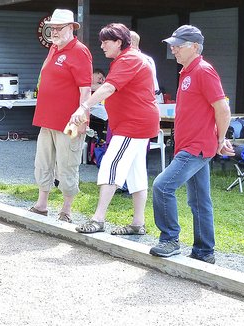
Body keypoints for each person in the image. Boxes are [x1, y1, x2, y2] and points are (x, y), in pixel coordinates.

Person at [149, 25, 234, 264]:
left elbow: (222, 109)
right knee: (199, 200)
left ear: (195, 47)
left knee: (162, 186)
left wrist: (220, 139)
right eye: (172, 45)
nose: (173, 49)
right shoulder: (187, 71)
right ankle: (204, 251)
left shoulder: (203, 71)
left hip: (196, 147)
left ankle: (170, 239)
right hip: (191, 144)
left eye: (178, 45)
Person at [70, 23, 159, 235]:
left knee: (111, 165)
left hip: (133, 124)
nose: (101, 46)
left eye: (105, 42)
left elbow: (109, 87)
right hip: (138, 123)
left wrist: (84, 107)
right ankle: (138, 223)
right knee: (136, 173)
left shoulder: (129, 59)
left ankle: (98, 219)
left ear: (119, 42)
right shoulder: (129, 58)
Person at [29, 9, 93, 222]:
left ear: (71, 28)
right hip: (47, 119)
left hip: (70, 122)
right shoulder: (54, 49)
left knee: (67, 164)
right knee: (43, 162)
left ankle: (66, 210)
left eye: (59, 27)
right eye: (52, 28)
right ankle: (42, 204)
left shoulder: (80, 51)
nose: (54, 32)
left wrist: (84, 117)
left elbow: (85, 89)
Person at [130, 31, 163, 103]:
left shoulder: (133, 59)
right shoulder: (148, 58)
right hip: (155, 96)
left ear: (130, 43)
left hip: (142, 99)